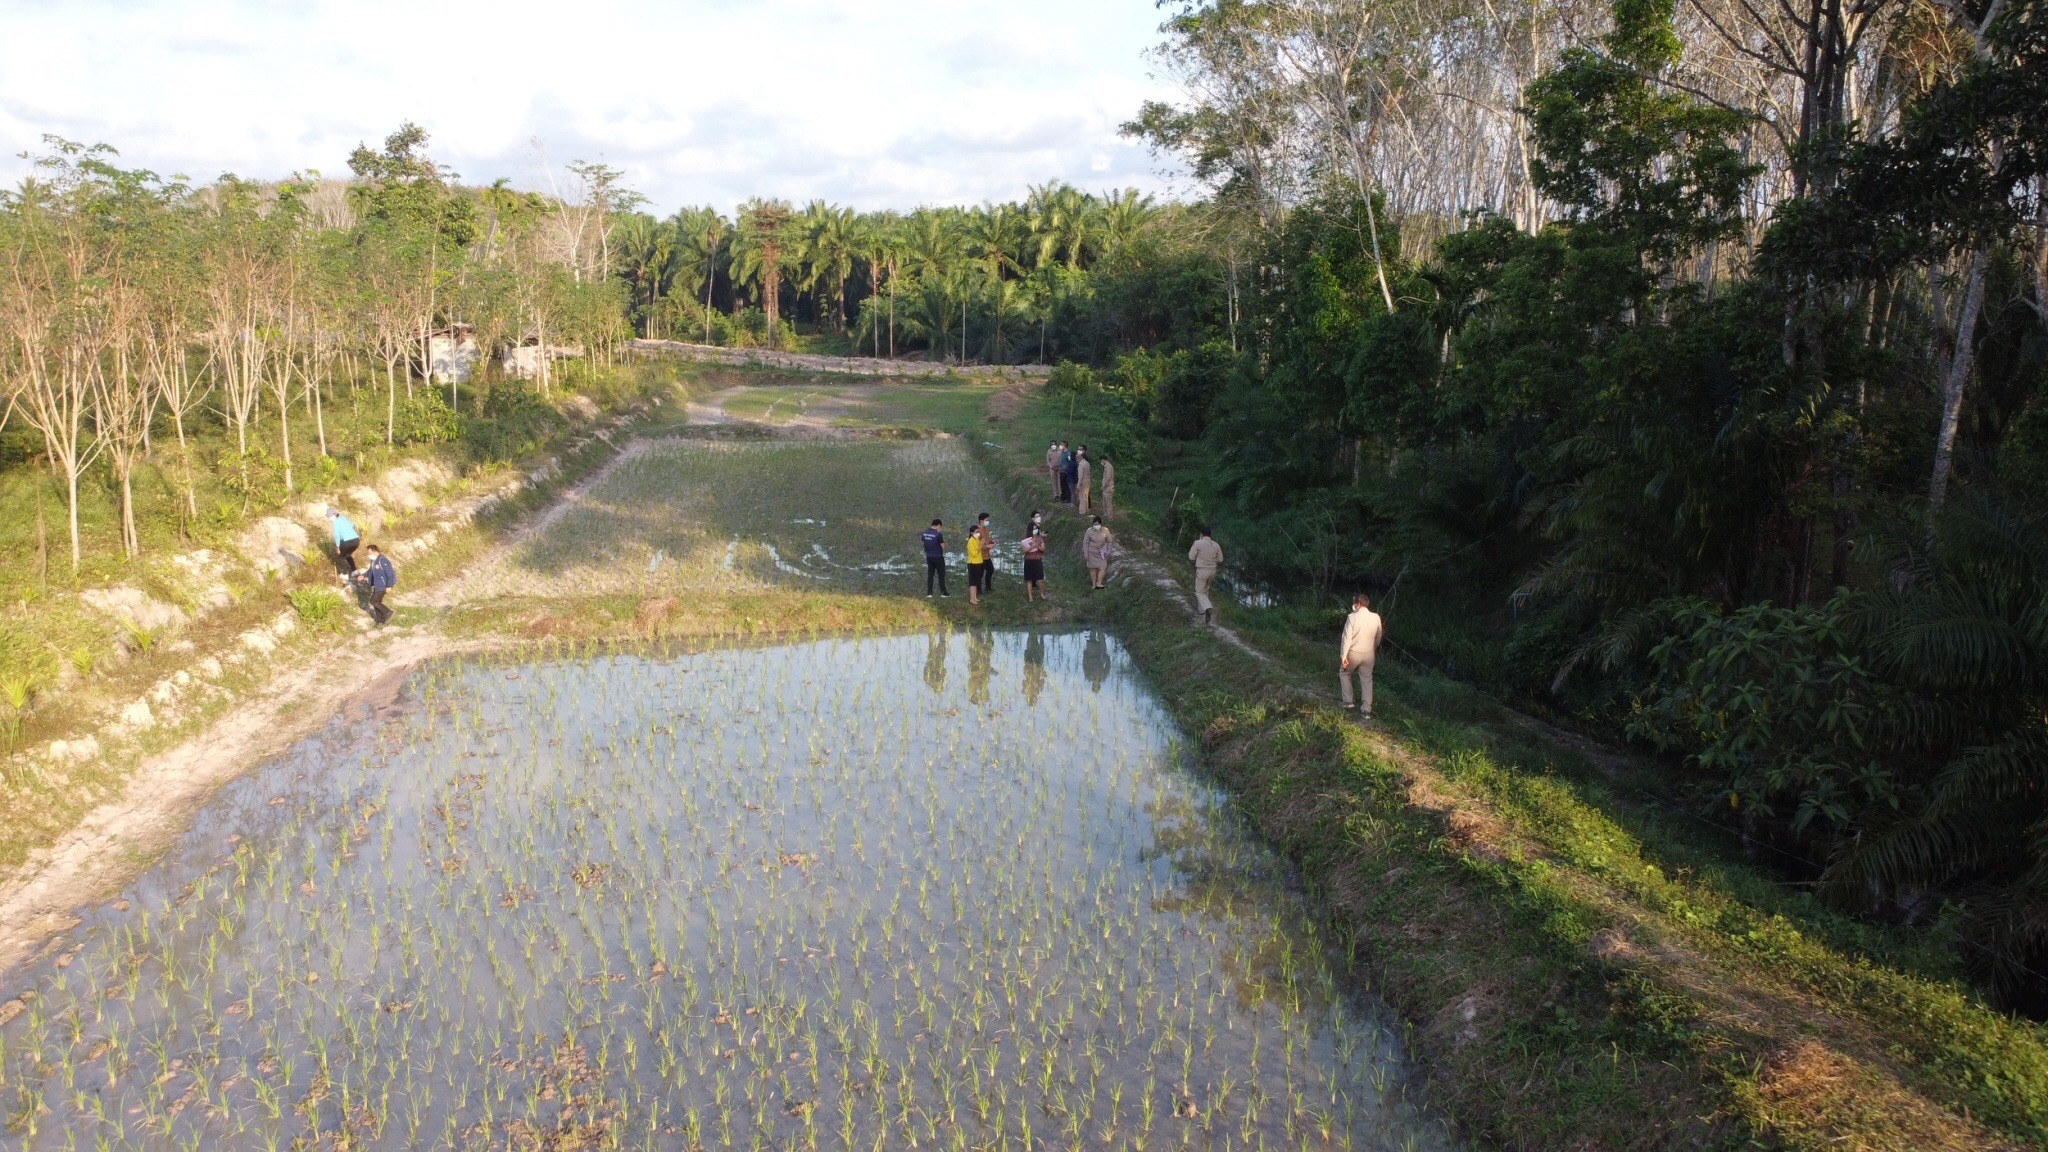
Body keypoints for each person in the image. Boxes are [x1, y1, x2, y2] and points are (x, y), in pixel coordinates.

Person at [1339, 591, 1385, 718]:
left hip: (1353, 653)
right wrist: (1374, 648)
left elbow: (1346, 638)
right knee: (1367, 680)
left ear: (1358, 604)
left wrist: (1343, 656)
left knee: (1345, 673)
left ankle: (1348, 701)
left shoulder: (1352, 617)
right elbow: (1379, 635)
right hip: (1369, 654)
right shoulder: (1376, 617)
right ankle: (1366, 710)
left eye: (1354, 602)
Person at [1188, 527, 1224, 624]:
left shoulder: (1198, 543)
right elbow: (1220, 560)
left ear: (1201, 534)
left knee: (1199, 592)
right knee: (1206, 589)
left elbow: (1191, 557)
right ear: (1210, 534)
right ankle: (1201, 610)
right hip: (1212, 571)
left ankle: (1208, 607)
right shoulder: (1216, 545)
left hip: (1202, 570)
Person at [363, 544, 398, 625]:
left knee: (373, 601)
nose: (368, 555)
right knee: (377, 602)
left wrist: (389, 585)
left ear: (375, 551)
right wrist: (363, 575)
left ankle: (388, 612)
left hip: (383, 585)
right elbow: (370, 571)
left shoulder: (383, 560)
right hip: (377, 585)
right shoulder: (373, 561)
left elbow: (390, 573)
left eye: (369, 553)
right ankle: (380, 621)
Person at [327, 507, 361, 579]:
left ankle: (345, 573)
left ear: (334, 515)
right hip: (356, 540)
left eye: (329, 516)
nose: (329, 518)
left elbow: (337, 534)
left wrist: (337, 546)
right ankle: (354, 571)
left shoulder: (335, 522)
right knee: (347, 555)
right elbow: (351, 524)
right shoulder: (343, 517)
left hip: (347, 541)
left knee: (340, 556)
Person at [1082, 516, 1114, 590]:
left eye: (1097, 524)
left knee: (1103, 567)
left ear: (1100, 524)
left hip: (1102, 553)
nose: (1096, 526)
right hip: (1092, 552)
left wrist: (1108, 551)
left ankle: (1099, 583)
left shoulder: (1105, 530)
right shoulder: (1089, 531)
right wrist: (1086, 553)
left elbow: (1109, 541)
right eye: (1095, 524)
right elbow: (1085, 542)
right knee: (1092, 569)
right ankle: (1094, 585)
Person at [920, 518, 949, 597]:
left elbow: (924, 543)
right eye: (940, 527)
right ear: (938, 525)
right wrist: (945, 544)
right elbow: (942, 546)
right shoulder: (938, 534)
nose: (940, 528)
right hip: (938, 557)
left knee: (930, 575)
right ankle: (943, 592)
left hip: (929, 556)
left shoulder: (924, 533)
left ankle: (929, 593)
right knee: (941, 575)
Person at [964, 517, 990, 605]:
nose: (978, 534)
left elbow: (981, 547)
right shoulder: (970, 541)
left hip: (979, 563)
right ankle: (972, 599)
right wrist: (981, 545)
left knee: (976, 581)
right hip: (973, 564)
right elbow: (974, 553)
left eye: (978, 532)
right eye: (976, 532)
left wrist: (982, 543)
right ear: (972, 533)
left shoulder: (976, 540)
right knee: (972, 582)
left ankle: (975, 597)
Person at [1021, 523, 1047, 600]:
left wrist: (1037, 546)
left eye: (1036, 529)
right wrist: (1031, 547)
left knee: (1041, 579)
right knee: (1029, 580)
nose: (1035, 530)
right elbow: (1024, 550)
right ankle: (1030, 596)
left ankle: (1042, 594)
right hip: (1028, 561)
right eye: (1033, 529)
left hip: (1037, 560)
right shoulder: (1026, 539)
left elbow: (1043, 549)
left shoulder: (1040, 538)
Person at [1075, 447, 1093, 515]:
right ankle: (1087, 509)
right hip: (1088, 480)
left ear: (1079, 458)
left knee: (1082, 496)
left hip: (1083, 481)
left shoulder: (1081, 465)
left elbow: (1080, 476)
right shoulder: (1087, 463)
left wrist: (1078, 485)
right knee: (1086, 495)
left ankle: (1082, 511)